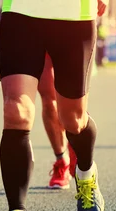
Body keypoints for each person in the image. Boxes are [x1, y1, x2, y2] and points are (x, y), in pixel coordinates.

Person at [0, 0, 108, 211]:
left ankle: (86, 173)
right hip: (21, 11)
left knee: (72, 119)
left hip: (73, 15)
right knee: (15, 111)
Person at [38, 54, 77, 189]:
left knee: (72, 98)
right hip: (41, 41)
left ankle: (75, 148)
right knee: (49, 100)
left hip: (71, 37)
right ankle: (61, 161)